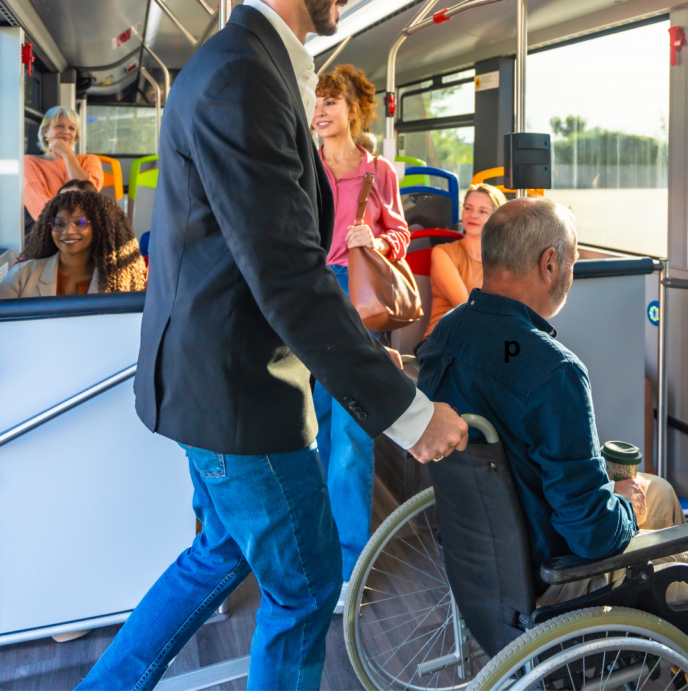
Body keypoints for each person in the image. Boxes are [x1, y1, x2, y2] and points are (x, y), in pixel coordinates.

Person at [76, 0, 468, 689]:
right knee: (307, 586)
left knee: (220, 552)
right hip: (240, 393)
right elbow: (286, 276)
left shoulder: (251, 68)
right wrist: (410, 414)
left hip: (214, 382)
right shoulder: (241, 79)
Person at [416, 197, 688, 649]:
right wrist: (622, 503)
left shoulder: (446, 335)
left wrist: (622, 497)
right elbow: (591, 534)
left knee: (660, 492)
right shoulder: (553, 370)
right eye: (571, 260)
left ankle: (679, 657)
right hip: (560, 582)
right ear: (549, 264)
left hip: (487, 567)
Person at [310, 64, 412, 612]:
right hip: (308, 297)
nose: (322, 111)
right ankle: (321, 557)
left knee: (351, 436)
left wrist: (377, 238)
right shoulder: (302, 167)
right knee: (316, 426)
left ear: (355, 110)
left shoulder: (380, 173)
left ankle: (352, 569)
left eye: (332, 101)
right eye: (317, 101)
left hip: (357, 297)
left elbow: (400, 233)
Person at [0, 190, 146, 299]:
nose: (68, 231)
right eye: (59, 223)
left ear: (100, 228)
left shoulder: (122, 280)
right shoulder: (22, 275)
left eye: (80, 222)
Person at [421, 183, 505, 343]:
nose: (473, 215)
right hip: (443, 341)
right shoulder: (442, 253)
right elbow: (467, 307)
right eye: (468, 208)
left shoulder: (502, 261)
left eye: (482, 211)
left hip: (483, 341)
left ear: (496, 219)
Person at [24, 106, 104, 220]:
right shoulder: (29, 162)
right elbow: (41, 210)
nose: (66, 131)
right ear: (45, 132)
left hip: (84, 225)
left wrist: (67, 154)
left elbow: (88, 199)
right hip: (51, 228)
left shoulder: (90, 160)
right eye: (59, 126)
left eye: (72, 128)